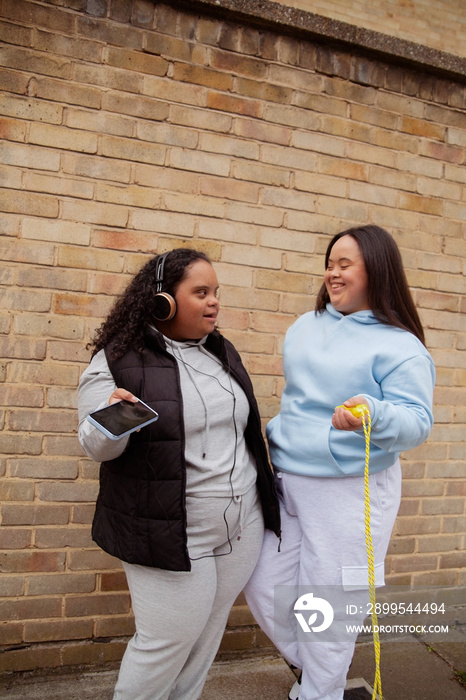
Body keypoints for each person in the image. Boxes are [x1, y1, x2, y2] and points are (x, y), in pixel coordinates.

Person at [78, 248, 281, 700]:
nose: (214, 303)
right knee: (164, 644)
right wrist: (114, 418)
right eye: (201, 292)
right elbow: (96, 448)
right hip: (169, 531)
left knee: (205, 637)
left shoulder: (220, 350)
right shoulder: (117, 360)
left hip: (239, 527)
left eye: (216, 293)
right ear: (163, 301)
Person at [244, 225, 435, 700]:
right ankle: (322, 672)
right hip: (287, 477)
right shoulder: (305, 326)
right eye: (330, 263)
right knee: (262, 581)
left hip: (352, 488)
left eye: (344, 263)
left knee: (328, 604)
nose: (332, 272)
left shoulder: (401, 346)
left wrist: (373, 412)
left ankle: (319, 691)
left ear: (376, 268)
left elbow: (417, 422)